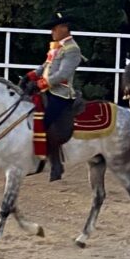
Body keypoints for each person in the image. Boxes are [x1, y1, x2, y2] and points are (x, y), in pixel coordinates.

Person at [24, 12, 82, 181]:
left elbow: (63, 74)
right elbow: (46, 65)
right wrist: (31, 76)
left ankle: (52, 163)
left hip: (61, 93)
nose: (52, 32)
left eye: (54, 29)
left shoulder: (73, 49)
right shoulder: (58, 46)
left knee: (45, 122)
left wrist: (40, 84)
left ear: (64, 28)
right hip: (49, 90)